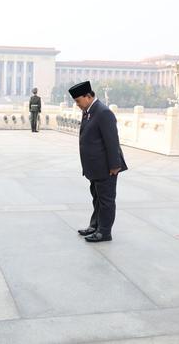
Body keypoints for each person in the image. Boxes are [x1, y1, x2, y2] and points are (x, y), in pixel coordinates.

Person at [70, 81, 127, 242]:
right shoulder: (89, 111)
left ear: (88, 96)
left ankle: (104, 231)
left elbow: (112, 141)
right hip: (95, 167)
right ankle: (95, 225)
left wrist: (115, 165)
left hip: (106, 167)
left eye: (78, 101)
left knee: (106, 200)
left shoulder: (103, 112)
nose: (77, 105)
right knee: (97, 198)